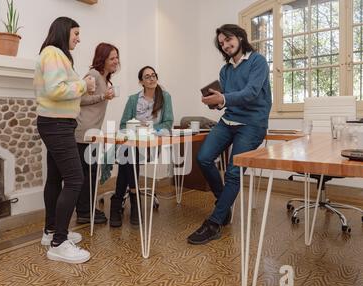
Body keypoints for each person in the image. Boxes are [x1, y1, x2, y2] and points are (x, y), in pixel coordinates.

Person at [187, 24, 272, 245]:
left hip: (252, 123)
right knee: (203, 158)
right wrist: (213, 102)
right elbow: (226, 99)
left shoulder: (257, 61)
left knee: (234, 172)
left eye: (228, 39)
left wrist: (222, 99)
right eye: (221, 43)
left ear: (240, 37)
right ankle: (223, 205)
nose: (225, 45)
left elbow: (251, 93)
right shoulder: (225, 71)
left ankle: (214, 222)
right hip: (228, 121)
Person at [34, 17, 96, 263]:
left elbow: (58, 90)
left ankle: (51, 232)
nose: (79, 39)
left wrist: (83, 87)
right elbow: (55, 89)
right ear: (64, 31)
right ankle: (59, 242)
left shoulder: (53, 54)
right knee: (75, 178)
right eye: (76, 33)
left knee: (56, 177)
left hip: (56, 123)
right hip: (57, 124)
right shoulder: (53, 53)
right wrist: (84, 84)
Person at [109, 66, 174, 227]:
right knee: (129, 153)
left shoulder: (165, 97)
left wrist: (150, 129)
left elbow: (168, 122)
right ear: (141, 82)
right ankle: (133, 198)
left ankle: (117, 202)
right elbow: (124, 124)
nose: (152, 79)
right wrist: (136, 128)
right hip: (132, 144)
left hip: (150, 145)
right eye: (147, 77)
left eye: (153, 75)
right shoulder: (133, 99)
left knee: (128, 155)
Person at [75, 43, 120, 224]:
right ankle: (85, 212)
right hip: (83, 132)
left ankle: (87, 210)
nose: (116, 61)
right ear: (103, 59)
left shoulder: (104, 78)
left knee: (90, 174)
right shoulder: (93, 75)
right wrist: (103, 96)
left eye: (117, 57)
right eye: (112, 58)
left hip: (93, 132)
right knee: (87, 174)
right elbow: (79, 99)